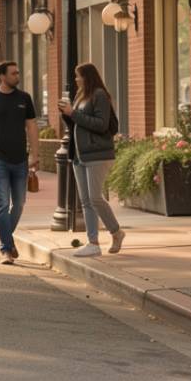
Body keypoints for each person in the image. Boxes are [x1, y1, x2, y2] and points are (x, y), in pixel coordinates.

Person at [0, 61, 39, 265]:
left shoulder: (24, 98)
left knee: (19, 204)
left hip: (20, 159)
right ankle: (6, 250)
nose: (17, 76)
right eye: (13, 73)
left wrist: (35, 155)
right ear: (2, 76)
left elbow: (31, 127)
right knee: (2, 203)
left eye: (18, 72)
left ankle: (7, 241)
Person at [59, 62, 124, 257]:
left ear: (87, 77)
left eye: (78, 76)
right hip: (80, 155)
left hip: (97, 154)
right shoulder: (81, 96)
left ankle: (116, 232)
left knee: (95, 198)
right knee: (86, 201)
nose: (76, 79)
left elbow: (102, 125)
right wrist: (67, 115)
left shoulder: (99, 95)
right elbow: (77, 124)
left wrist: (74, 113)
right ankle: (93, 243)